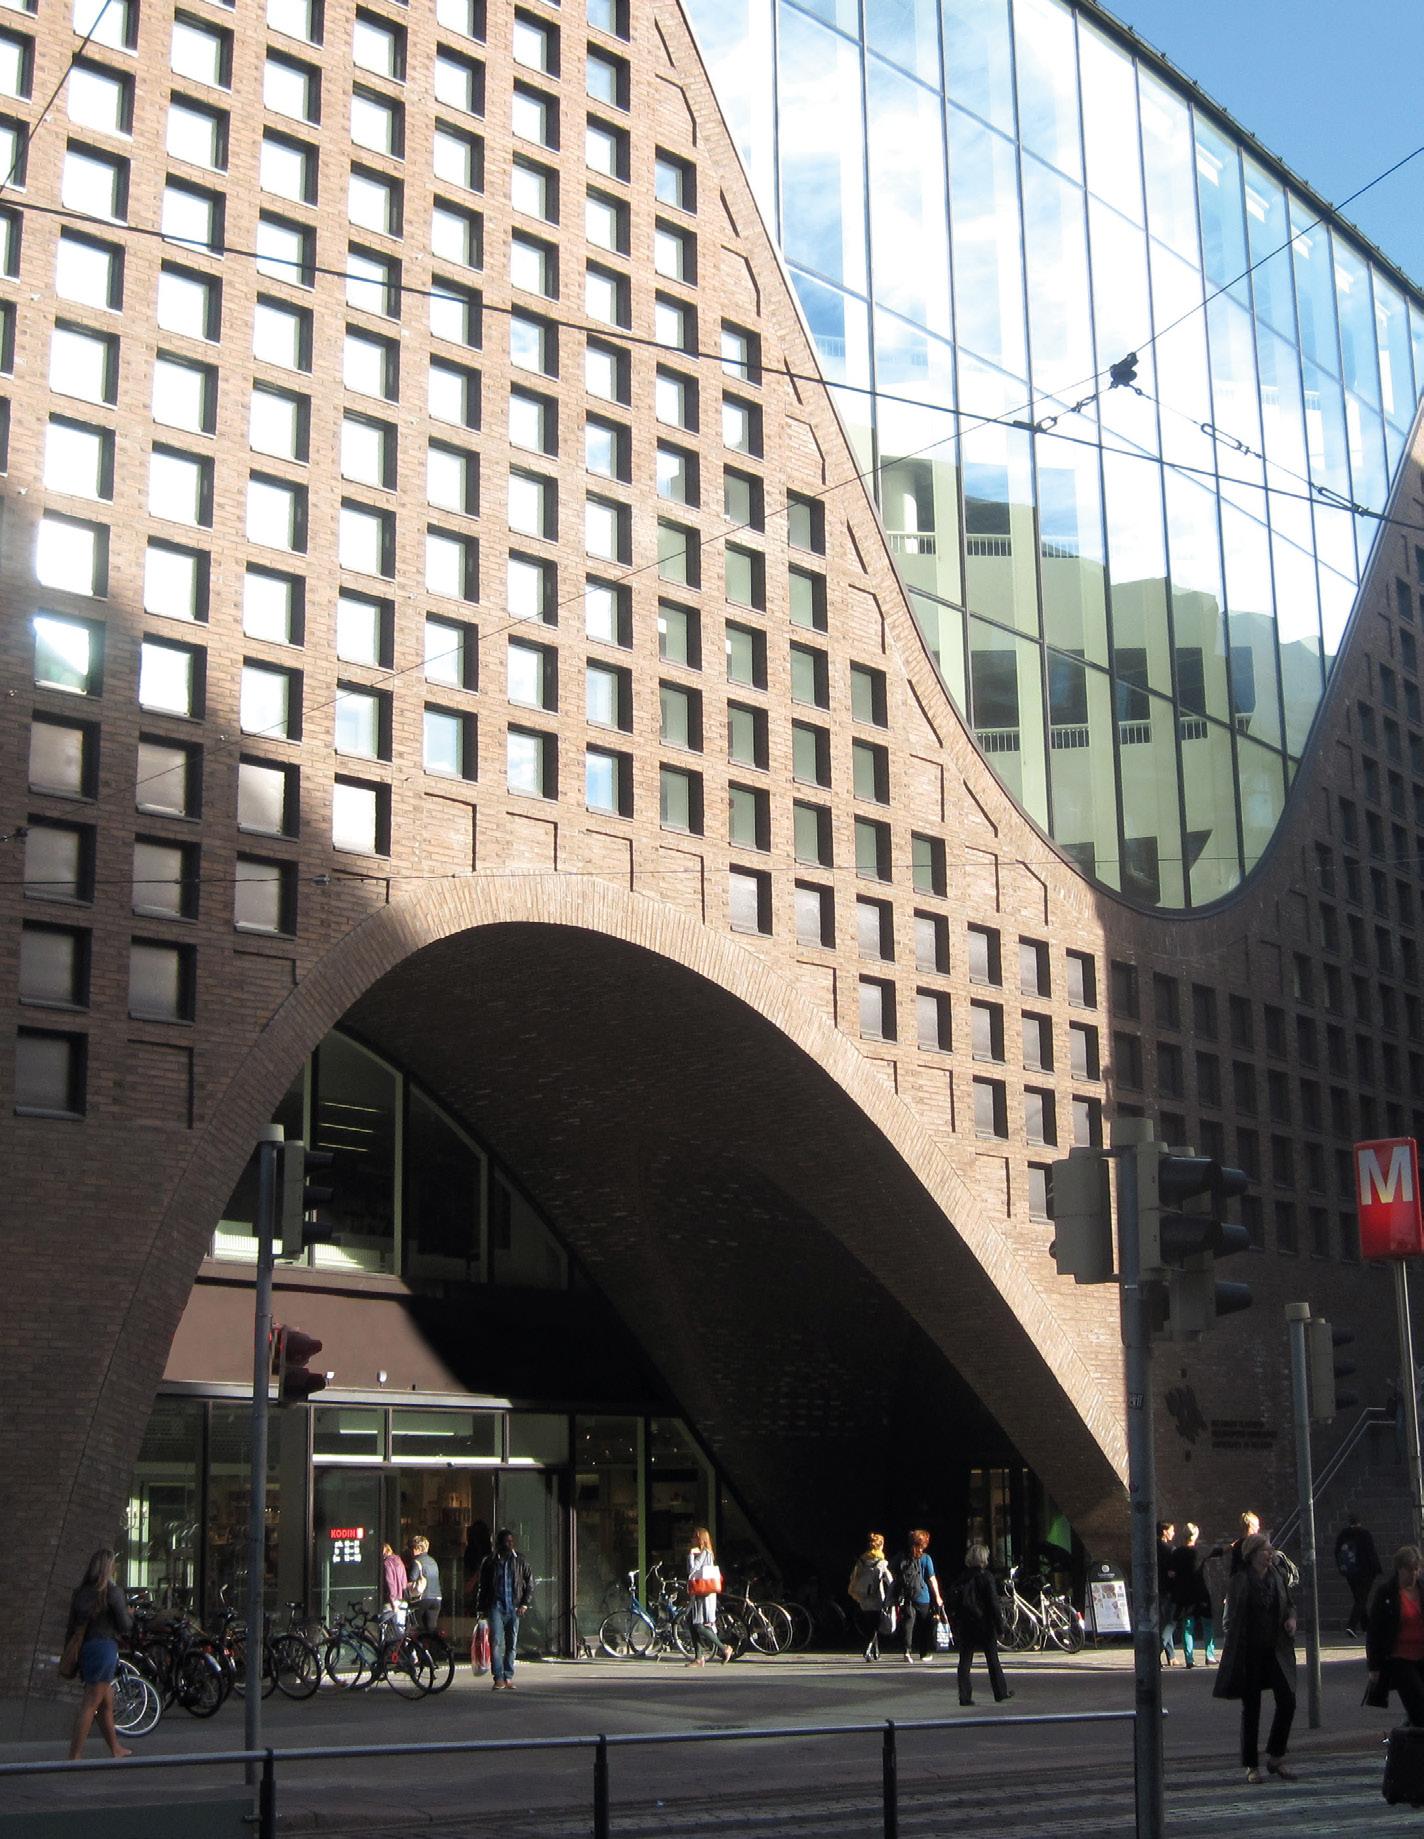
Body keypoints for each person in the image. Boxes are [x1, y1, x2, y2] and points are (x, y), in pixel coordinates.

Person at [1213, 1533, 1298, 1784]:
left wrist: (1291, 1619)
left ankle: (1276, 1755)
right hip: (1249, 1652)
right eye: (1265, 1551)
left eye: (1271, 1550)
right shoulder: (1240, 1581)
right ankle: (1251, 1764)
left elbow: (1289, 1604)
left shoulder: (1278, 1576)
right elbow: (1230, 1619)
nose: (1270, 1554)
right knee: (1252, 1708)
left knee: (1288, 1700)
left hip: (1276, 1650)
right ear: (1252, 1555)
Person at [65, 1548, 133, 1761]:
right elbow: (125, 1625)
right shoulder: (111, 1592)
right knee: (91, 1703)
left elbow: (71, 1627)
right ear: (108, 1568)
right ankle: (75, 1755)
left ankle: (115, 1748)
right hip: (104, 1648)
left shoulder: (80, 1593)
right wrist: (130, 1615)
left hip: (86, 1648)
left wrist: (71, 1655)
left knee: (106, 1702)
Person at [948, 1543, 1012, 1707]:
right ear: (984, 1559)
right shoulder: (986, 1577)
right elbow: (993, 1603)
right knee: (992, 1659)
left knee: (965, 1661)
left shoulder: (962, 1577)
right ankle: (1000, 1692)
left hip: (966, 1623)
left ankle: (964, 1696)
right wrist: (1000, 1626)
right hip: (984, 1623)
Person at [1366, 1544, 1424, 1724]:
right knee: (1418, 1704)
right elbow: (1375, 1631)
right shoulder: (1386, 1593)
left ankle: (1409, 1733)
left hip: (1422, 1655)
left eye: (1417, 1569)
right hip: (1400, 1659)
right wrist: (1374, 1666)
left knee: (1417, 1710)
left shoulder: (1422, 1590)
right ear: (1400, 1569)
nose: (1414, 1574)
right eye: (1410, 1570)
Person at [477, 1527, 533, 1689]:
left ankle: (508, 1675)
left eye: (511, 1541)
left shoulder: (519, 1560)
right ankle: (498, 1677)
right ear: (499, 1543)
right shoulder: (490, 1562)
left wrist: (524, 1603)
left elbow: (529, 1582)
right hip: (496, 1606)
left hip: (513, 1607)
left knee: (511, 1643)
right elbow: (483, 1586)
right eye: (506, 1541)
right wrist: (481, 1608)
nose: (509, 1544)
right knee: (495, 1641)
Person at [1170, 1523, 1216, 1667]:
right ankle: (1209, 1655)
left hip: (1185, 1594)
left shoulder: (1177, 1553)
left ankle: (1189, 1659)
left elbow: (1171, 1573)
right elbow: (1219, 1551)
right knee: (1207, 1623)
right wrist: (1233, 1545)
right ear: (1196, 1535)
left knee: (1188, 1625)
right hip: (1201, 1592)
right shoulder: (1200, 1551)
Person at [686, 1526, 733, 1666]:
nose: (692, 1539)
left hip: (703, 1594)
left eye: (694, 1537)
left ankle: (723, 1648)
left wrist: (690, 1555)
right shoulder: (705, 1553)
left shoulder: (705, 1553)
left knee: (698, 1624)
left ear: (700, 1539)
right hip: (700, 1593)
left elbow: (692, 1570)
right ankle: (698, 1657)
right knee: (691, 1622)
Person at [897, 1529, 945, 1664]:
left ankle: (907, 1651)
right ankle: (924, 1653)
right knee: (924, 1625)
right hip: (923, 1596)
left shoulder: (903, 1557)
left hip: (907, 1595)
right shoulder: (926, 1558)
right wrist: (938, 1596)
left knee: (908, 1623)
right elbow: (931, 1578)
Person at [1336, 1509, 1383, 1638]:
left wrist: (1342, 1569)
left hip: (1350, 1572)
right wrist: (1376, 1569)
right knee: (1361, 1599)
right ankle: (1351, 1625)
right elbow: (1371, 1553)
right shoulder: (1364, 1534)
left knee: (1359, 1598)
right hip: (1366, 1572)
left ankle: (1366, 1625)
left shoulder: (1343, 1535)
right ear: (1359, 1522)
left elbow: (1337, 1552)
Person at [847, 1532, 893, 1662]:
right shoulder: (881, 1562)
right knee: (875, 1626)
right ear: (880, 1546)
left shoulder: (862, 1560)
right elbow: (890, 1580)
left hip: (862, 1597)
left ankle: (876, 1652)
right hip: (877, 1598)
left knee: (870, 1624)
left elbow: (854, 1576)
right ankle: (867, 1650)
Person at [406, 1534, 442, 1637]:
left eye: (412, 1548)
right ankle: (433, 1645)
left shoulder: (416, 1562)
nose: (411, 1551)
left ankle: (418, 1646)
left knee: (417, 1629)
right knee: (431, 1630)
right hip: (437, 1598)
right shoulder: (433, 1561)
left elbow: (412, 1579)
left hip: (421, 1598)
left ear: (418, 1548)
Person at [1157, 1522, 1177, 1664]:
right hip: (1168, 1589)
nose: (1173, 1533)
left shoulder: (1151, 1547)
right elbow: (1172, 1572)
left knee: (1165, 1622)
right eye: (1172, 1530)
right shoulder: (1170, 1550)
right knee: (1170, 1622)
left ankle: (1171, 1656)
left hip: (1155, 1588)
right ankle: (1156, 1651)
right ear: (1164, 1531)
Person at [380, 1541, 409, 1639]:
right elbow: (404, 1581)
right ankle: (404, 1647)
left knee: (380, 1624)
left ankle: (382, 1645)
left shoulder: (386, 1563)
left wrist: (392, 1601)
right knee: (400, 1631)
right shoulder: (399, 1561)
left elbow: (390, 1583)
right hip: (402, 1599)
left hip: (391, 1601)